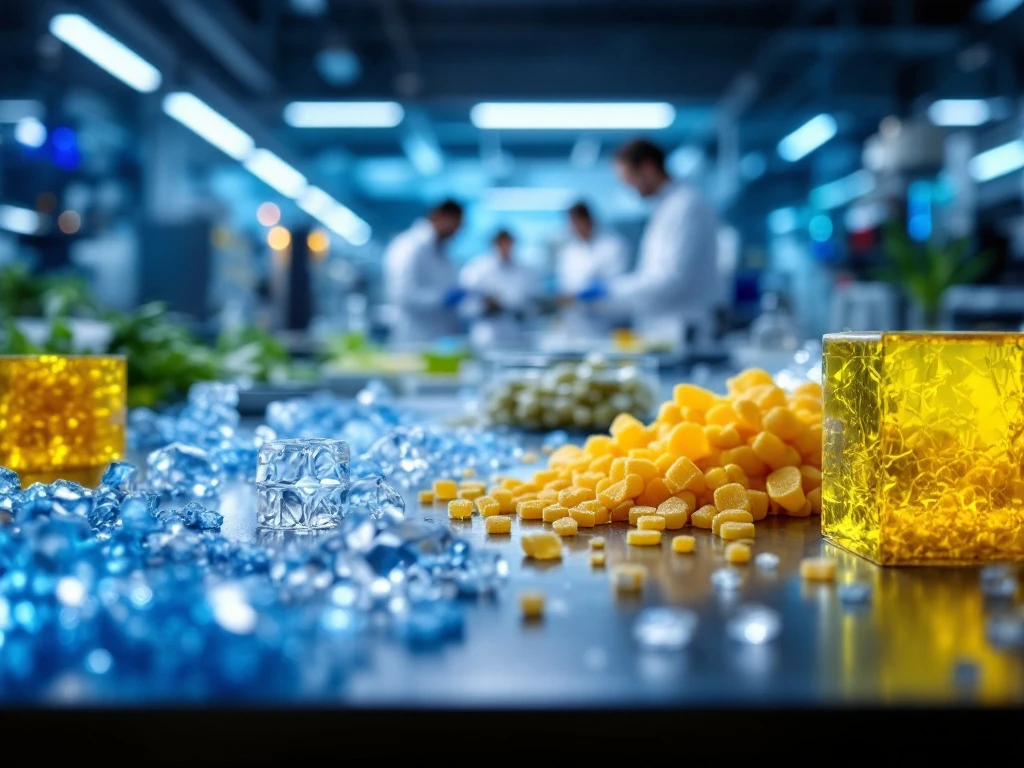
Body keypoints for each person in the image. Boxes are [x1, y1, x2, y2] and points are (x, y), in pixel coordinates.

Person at [573, 139, 724, 348]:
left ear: (648, 168)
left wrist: (611, 290)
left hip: (685, 328)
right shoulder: (666, 207)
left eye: (630, 179)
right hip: (665, 327)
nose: (629, 188)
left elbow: (670, 279)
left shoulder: (686, 206)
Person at [383, 199, 465, 347]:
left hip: (440, 340)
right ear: (438, 216)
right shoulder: (409, 246)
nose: (456, 231)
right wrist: (442, 298)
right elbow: (403, 296)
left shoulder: (442, 251)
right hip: (414, 340)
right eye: (455, 224)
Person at [555, 201, 630, 338]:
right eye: (571, 223)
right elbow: (566, 285)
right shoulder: (569, 251)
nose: (574, 227)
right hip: (576, 324)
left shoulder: (612, 245)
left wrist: (586, 294)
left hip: (606, 323)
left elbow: (617, 285)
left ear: (589, 219)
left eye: (577, 222)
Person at [459, 229, 536, 349]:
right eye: (501, 244)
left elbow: (530, 303)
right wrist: (485, 305)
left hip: (514, 332)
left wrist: (510, 305)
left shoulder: (524, 271)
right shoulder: (476, 269)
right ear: (493, 244)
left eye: (508, 244)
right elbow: (465, 306)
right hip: (486, 332)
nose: (505, 248)